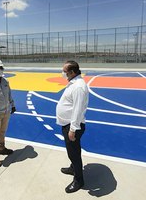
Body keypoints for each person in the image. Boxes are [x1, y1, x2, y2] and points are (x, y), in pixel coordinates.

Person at [56, 60, 89, 193]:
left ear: (72, 72)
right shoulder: (73, 83)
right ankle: (73, 168)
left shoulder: (78, 87)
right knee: (73, 152)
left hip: (72, 126)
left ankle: (79, 180)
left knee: (74, 153)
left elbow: (78, 109)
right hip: (68, 124)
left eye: (64, 71)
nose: (63, 73)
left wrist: (73, 129)